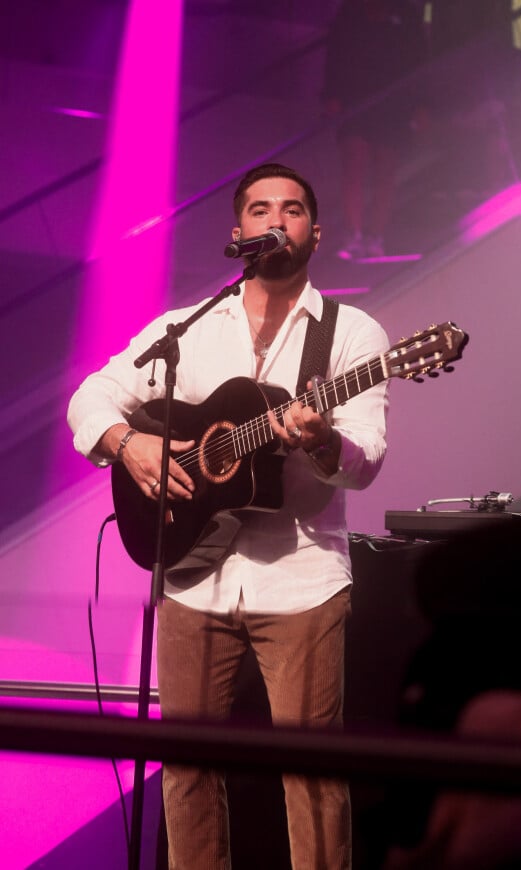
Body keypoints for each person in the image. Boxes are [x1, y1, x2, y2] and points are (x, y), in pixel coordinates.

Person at [67, 162, 389, 869]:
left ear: (315, 230)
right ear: (238, 231)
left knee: (311, 778)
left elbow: (366, 455)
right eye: (261, 208)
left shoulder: (351, 332)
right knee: (186, 773)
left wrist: (321, 438)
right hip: (190, 577)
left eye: (294, 208)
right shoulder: (188, 328)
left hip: (302, 579)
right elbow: (90, 396)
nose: (277, 219)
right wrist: (130, 444)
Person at [322, 0, 431, 260]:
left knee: (385, 169)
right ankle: (353, 234)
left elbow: (419, 61)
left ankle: (375, 235)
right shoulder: (351, 12)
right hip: (355, 99)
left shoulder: (407, 15)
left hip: (393, 103)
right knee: (354, 162)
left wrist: (421, 105)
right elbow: (335, 54)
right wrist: (331, 95)